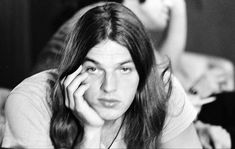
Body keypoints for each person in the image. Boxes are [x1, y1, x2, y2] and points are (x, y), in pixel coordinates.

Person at [2, 2, 201, 148]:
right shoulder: (31, 101)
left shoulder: (162, 87)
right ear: (74, 68)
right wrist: (91, 132)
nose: (109, 87)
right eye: (93, 69)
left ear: (144, 71)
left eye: (124, 69)